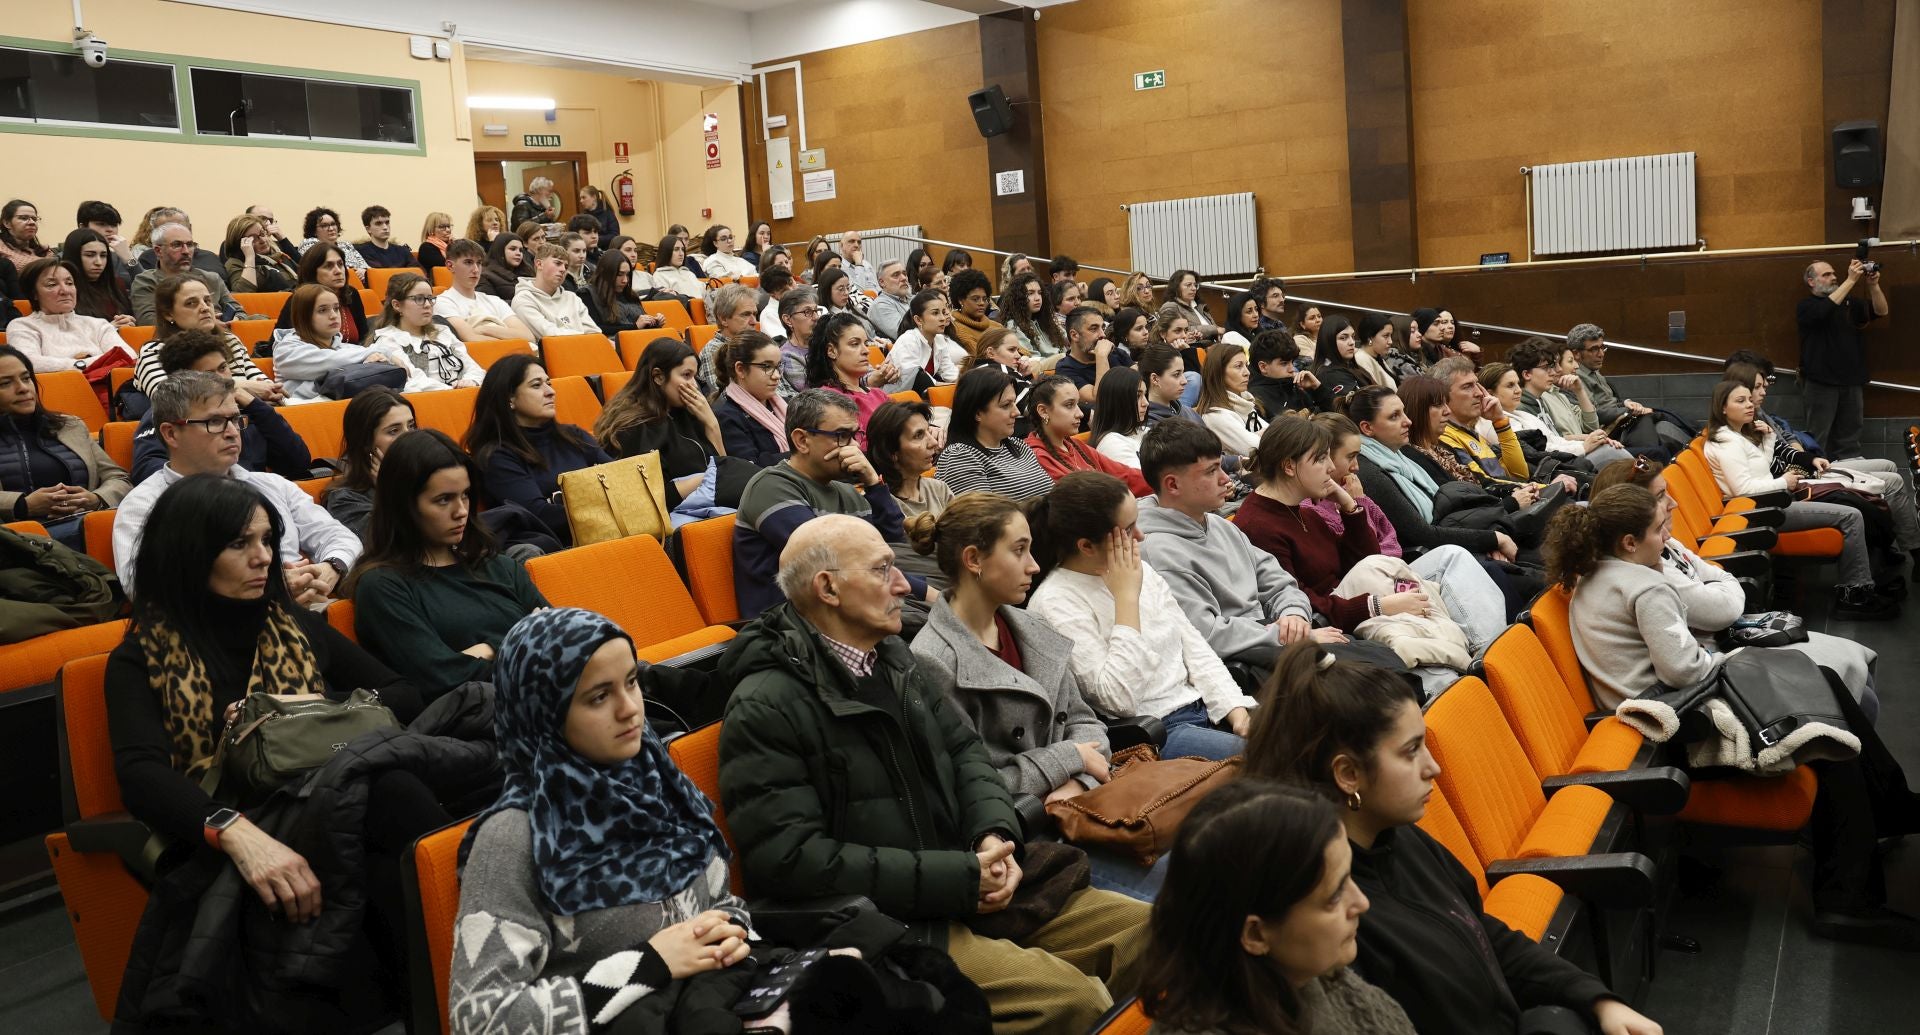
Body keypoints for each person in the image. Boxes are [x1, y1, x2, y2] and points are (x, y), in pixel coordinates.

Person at [718, 513, 1148, 1032]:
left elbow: (968, 758)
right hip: (892, 921)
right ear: (828, 588)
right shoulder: (767, 703)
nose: (903, 583)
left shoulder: (894, 659)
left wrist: (993, 836)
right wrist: (961, 877)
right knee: (1065, 1001)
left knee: (1149, 935)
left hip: (967, 881)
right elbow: (787, 861)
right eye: (881, 570)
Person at [105, 474, 455, 1030]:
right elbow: (140, 773)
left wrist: (302, 712)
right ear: (191, 552)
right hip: (239, 814)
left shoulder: (288, 625)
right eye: (239, 543)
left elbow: (400, 693)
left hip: (332, 798)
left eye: (267, 539)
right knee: (393, 801)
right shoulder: (141, 656)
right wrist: (237, 835)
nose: (263, 557)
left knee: (392, 824)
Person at [1546, 485, 1920, 949]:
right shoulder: (1645, 585)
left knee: (1823, 680)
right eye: (1660, 530)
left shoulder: (1594, 574)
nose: (1668, 538)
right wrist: (1722, 657)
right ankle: (1846, 898)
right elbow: (1684, 668)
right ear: (1629, 541)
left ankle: (1890, 807)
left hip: (1659, 711)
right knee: (1821, 732)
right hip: (1677, 727)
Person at [1242, 642, 1664, 1035]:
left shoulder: (1399, 838)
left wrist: (1597, 999)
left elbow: (1485, 935)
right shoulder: (1329, 919)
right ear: (1348, 774)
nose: (1434, 768)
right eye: (1410, 751)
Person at [451, 606, 750, 1034]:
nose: (630, 710)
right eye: (598, 697)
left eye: (631, 682)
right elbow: (481, 1020)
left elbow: (723, 904)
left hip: (712, 1005)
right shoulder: (515, 837)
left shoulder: (658, 780)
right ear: (545, 713)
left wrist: (729, 932)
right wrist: (650, 965)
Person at [907, 493, 1165, 902]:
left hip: (1085, 807)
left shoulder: (1030, 626)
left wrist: (1078, 782)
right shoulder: (933, 661)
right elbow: (974, 783)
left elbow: (1085, 721)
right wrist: (1070, 760)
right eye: (1019, 551)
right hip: (1025, 841)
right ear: (973, 559)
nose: (1034, 565)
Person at [1589, 455, 1881, 716]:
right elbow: (1711, 626)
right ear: (1631, 527)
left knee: (1854, 668)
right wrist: (1723, 600)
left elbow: (1720, 582)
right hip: (1696, 691)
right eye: (1661, 496)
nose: (1673, 503)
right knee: (1856, 694)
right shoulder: (1647, 581)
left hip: (1714, 658)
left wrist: (1721, 587)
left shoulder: (1655, 548)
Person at [1137, 778, 1417, 1035]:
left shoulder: (1320, 982)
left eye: (1350, 878)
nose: (1362, 903)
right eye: (1333, 897)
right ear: (1256, 935)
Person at [1233, 416, 1510, 655]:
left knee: (1453, 555)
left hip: (1354, 597)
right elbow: (1300, 601)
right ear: (1289, 467)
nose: (1331, 467)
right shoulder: (1259, 525)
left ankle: (1492, 649)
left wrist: (1350, 506)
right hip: (1336, 616)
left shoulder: (1302, 510)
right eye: (1320, 459)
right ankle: (1490, 655)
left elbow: (1365, 559)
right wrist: (1378, 606)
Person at [1026, 471, 1255, 759]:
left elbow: (1193, 646)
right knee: (1273, 762)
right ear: (1086, 546)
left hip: (1204, 707)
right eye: (1128, 529)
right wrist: (1126, 599)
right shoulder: (1054, 602)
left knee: (1301, 737)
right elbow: (1118, 699)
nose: (1141, 536)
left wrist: (1234, 710)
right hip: (1154, 732)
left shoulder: (1139, 569)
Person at [115, 371, 359, 601]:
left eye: (234, 419)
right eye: (215, 422)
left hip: (306, 607)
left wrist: (330, 567)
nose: (232, 432)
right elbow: (143, 586)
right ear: (171, 434)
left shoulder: (271, 484)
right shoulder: (144, 504)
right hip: (213, 633)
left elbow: (339, 536)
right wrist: (270, 587)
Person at [349, 429, 548, 701]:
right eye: (444, 499)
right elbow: (441, 679)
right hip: (484, 722)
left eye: (465, 495)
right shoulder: (382, 587)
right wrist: (524, 638)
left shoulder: (499, 566)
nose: (462, 511)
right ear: (404, 505)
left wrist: (487, 650)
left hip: (549, 698)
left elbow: (558, 637)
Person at [1134, 419, 1327, 670]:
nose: (1226, 478)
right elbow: (1206, 633)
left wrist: (1294, 614)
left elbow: (1278, 582)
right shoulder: (1156, 551)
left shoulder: (1220, 525)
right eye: (1211, 470)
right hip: (1242, 666)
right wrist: (1286, 635)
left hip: (1273, 642)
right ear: (1172, 484)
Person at [731, 389, 933, 618]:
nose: (854, 448)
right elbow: (834, 559)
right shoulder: (771, 487)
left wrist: (873, 483)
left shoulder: (848, 491)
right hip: (791, 630)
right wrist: (928, 594)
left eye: (855, 436)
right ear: (802, 440)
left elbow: (899, 546)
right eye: (841, 436)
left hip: (851, 610)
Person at [1703, 378, 1896, 618]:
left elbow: (1759, 468)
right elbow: (1743, 488)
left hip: (1771, 500)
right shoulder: (1727, 442)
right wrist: (1784, 481)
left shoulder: (1737, 435)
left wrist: (1769, 439)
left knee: (1850, 503)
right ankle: (1854, 595)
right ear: (1722, 407)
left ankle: (1862, 584)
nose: (1749, 405)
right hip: (1761, 511)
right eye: (1740, 401)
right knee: (1851, 515)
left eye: (1749, 400)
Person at [1724, 352, 1920, 567]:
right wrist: (1800, 464)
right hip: (1795, 484)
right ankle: (1905, 551)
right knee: (1889, 482)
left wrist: (1804, 457)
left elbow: (1784, 440)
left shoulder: (1760, 415)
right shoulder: (1735, 432)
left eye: (1765, 384)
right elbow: (1762, 473)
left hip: (1807, 466)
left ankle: (1887, 548)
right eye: (1758, 386)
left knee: (1889, 467)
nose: (1764, 390)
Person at [1348, 386, 1526, 588]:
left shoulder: (1402, 454)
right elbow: (1422, 533)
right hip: (1426, 561)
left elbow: (1456, 504)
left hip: (1454, 539)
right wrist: (1493, 538)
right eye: (1394, 416)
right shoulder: (1368, 472)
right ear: (1367, 428)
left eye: (1404, 412)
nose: (1408, 421)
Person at [465, 355, 611, 547]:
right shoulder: (497, 456)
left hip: (607, 533)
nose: (550, 392)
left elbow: (620, 477)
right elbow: (539, 515)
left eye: (549, 383)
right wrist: (607, 507)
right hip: (560, 549)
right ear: (510, 399)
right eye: (536, 385)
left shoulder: (574, 435)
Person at [130, 331, 310, 484]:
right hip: (201, 500)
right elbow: (147, 472)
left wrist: (257, 406)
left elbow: (297, 463)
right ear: (184, 380)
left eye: (223, 368)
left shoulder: (248, 409)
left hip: (255, 493)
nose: (221, 379)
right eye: (208, 374)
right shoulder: (167, 412)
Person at [0, 345, 127, 548]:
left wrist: (95, 498)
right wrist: (23, 505)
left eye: (26, 378)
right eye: (5, 383)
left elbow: (118, 478)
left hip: (87, 524)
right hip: (21, 542)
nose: (23, 388)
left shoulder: (70, 426)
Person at [594, 338, 725, 508]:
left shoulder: (690, 413)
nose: (694, 385)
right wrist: (706, 479)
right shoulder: (634, 427)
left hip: (708, 505)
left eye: (695, 376)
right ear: (658, 377)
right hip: (672, 520)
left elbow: (724, 468)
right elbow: (649, 498)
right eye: (686, 375)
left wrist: (712, 425)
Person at [1798, 258, 1889, 459]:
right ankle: (1816, 475)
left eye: (1834, 274)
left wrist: (1873, 286)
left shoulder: (1849, 303)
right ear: (1811, 282)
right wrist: (1850, 281)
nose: (1833, 278)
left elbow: (1881, 311)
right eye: (1826, 275)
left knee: (1850, 438)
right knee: (1818, 435)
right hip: (1820, 382)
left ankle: (1852, 479)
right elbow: (1823, 312)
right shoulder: (1807, 306)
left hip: (1852, 381)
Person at [270, 282, 420, 401]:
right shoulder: (286, 349)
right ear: (303, 316)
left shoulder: (346, 349)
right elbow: (327, 362)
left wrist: (380, 356)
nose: (334, 315)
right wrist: (373, 354)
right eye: (323, 310)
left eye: (336, 308)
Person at [132, 275, 276, 397]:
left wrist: (271, 390)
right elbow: (167, 396)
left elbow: (262, 384)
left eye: (207, 301)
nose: (205, 308)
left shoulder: (230, 340)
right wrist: (237, 387)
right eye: (191, 303)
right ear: (168, 314)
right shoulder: (154, 352)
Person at [1567, 323, 1692, 454]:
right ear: (1576, 354)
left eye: (1602, 347)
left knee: (1661, 420)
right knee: (1652, 417)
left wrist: (1625, 404)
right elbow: (1593, 414)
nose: (1601, 354)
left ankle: (1695, 443)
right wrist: (1625, 410)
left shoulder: (1593, 370)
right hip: (1609, 428)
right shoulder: (1574, 379)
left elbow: (1610, 402)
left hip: (1621, 419)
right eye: (1593, 349)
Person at [936, 366, 1055, 501]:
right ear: (978, 413)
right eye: (1006, 405)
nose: (1016, 412)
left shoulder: (1019, 446)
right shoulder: (959, 456)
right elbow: (983, 518)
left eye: (1014, 403)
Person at [1509, 337, 1631, 467]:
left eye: (1554, 365)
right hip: (1557, 466)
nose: (1555, 371)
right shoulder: (1521, 407)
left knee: (1616, 452)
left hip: (1566, 455)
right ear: (1527, 374)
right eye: (1547, 367)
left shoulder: (1541, 400)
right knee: (1615, 455)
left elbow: (1559, 439)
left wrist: (1580, 391)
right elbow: (1543, 449)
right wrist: (1584, 445)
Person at [5, 256, 134, 374]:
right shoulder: (22, 326)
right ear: (34, 293)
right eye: (52, 284)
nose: (65, 291)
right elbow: (29, 364)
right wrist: (81, 363)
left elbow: (128, 356)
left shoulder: (98, 324)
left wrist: (75, 364)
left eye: (69, 283)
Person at [1025, 375, 1150, 495]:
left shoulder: (1076, 446)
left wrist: (1159, 481)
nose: (1080, 414)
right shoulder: (1035, 457)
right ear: (1043, 411)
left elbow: (1125, 475)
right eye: (1069, 405)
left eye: (1077, 404)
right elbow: (1084, 498)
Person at [367, 272, 485, 392]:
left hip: (464, 393)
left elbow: (473, 367)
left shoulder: (442, 331)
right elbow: (413, 381)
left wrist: (471, 381)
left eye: (430, 298)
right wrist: (454, 390)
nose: (428, 305)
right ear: (397, 305)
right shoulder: (387, 339)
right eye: (419, 299)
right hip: (429, 402)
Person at [322, 387, 415, 538]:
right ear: (366, 442)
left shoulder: (431, 476)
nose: (409, 436)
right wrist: (391, 490)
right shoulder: (344, 500)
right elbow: (393, 547)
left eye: (411, 426)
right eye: (394, 430)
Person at [806, 312, 895, 447]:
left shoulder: (878, 394)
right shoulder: (829, 402)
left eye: (866, 343)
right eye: (854, 344)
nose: (866, 351)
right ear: (831, 351)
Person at [132, 223, 241, 326]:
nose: (186, 251)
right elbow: (148, 321)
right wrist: (204, 324)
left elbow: (239, 311)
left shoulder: (211, 278)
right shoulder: (146, 281)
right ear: (158, 251)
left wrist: (234, 321)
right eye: (177, 245)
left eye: (190, 245)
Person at [712, 330, 789, 468]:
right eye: (766, 366)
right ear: (740, 369)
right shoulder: (727, 417)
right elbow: (751, 467)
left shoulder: (786, 405)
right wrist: (803, 455)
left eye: (778, 366)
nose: (777, 375)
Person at [435, 239, 536, 342]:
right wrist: (507, 336)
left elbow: (528, 336)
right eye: (468, 262)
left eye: (479, 263)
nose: (476, 270)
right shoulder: (443, 302)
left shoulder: (494, 301)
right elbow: (471, 338)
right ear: (450, 265)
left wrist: (485, 329)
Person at [868, 399, 952, 521]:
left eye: (929, 431)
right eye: (918, 435)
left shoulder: (939, 489)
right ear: (891, 452)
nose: (933, 442)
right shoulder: (881, 505)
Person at [272, 244, 371, 347]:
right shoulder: (299, 300)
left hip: (356, 359)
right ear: (312, 272)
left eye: (340, 264)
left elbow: (365, 337)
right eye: (328, 266)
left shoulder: (351, 294)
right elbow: (279, 344)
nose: (338, 271)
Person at [880, 289, 968, 393]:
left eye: (943, 312)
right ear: (918, 320)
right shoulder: (908, 340)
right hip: (897, 399)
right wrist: (952, 387)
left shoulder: (939, 339)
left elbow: (950, 373)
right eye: (935, 313)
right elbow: (917, 380)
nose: (943, 318)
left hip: (924, 395)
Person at [1195, 341, 1268, 456]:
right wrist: (1264, 435)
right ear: (1218, 373)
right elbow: (1258, 449)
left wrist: (1264, 434)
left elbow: (1275, 436)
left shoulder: (1245, 403)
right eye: (1238, 366)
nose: (1247, 372)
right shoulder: (1216, 416)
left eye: (1246, 365)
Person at [512, 244, 598, 341]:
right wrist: (586, 338)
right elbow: (549, 334)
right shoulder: (523, 299)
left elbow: (594, 332)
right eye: (557, 263)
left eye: (566, 266)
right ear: (539, 264)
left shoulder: (572, 298)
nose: (563, 270)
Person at [59, 228, 133, 326]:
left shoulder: (116, 284)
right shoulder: (62, 290)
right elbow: (62, 334)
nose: (98, 262)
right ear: (74, 256)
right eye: (90, 255)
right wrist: (109, 329)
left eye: (103, 255)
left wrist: (129, 320)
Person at [696, 283, 760, 393]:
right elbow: (720, 397)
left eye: (755, 314)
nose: (754, 321)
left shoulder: (758, 345)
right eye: (745, 315)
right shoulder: (713, 352)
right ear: (724, 319)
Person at [584, 251, 663, 337]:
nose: (625, 280)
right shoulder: (587, 294)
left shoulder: (630, 295)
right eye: (620, 274)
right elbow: (595, 329)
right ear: (606, 273)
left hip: (639, 339)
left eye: (628, 274)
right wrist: (634, 326)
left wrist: (654, 323)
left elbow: (641, 325)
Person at [1089, 367, 1151, 470]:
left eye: (1145, 395)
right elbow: (1142, 483)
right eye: (1137, 396)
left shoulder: (1145, 431)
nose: (1146, 403)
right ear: (1117, 402)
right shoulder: (1111, 443)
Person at [1053, 306, 1116, 405]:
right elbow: (1099, 399)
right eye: (1094, 329)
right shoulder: (1065, 368)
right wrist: (1102, 357)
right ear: (1074, 335)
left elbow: (1141, 385)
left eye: (1103, 328)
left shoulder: (1115, 353)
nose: (1102, 334)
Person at [1247, 329, 1317, 418]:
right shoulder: (1254, 399)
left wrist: (1316, 389)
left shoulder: (1293, 386)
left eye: (1292, 362)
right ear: (1263, 367)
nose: (1292, 369)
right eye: (1284, 363)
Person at [221, 215, 298, 293]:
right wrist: (250, 258)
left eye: (262, 233)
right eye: (253, 238)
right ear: (240, 243)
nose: (262, 240)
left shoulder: (278, 254)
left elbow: (305, 276)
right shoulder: (235, 263)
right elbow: (243, 294)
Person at [1312, 315, 1372, 412]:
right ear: (1328, 341)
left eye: (1353, 337)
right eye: (1343, 338)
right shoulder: (1328, 374)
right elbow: (1357, 410)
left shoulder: (1350, 366)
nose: (1352, 342)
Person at [772, 288, 819, 399]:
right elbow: (813, 394)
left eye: (816, 310)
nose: (816, 317)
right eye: (807, 312)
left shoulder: (825, 343)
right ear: (788, 320)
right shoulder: (786, 356)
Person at [299, 207, 369, 278]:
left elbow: (365, 266)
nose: (331, 229)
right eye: (324, 225)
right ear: (314, 231)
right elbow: (324, 267)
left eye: (333, 224)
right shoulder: (309, 243)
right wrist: (352, 273)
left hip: (359, 281)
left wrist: (363, 270)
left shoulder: (346, 245)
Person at [1157, 269, 1220, 343]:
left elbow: (1218, 330)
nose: (1193, 288)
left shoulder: (1199, 306)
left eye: (1195, 285)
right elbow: (1175, 330)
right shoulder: (1170, 306)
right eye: (1188, 285)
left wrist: (1218, 333)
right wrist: (1214, 330)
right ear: (1176, 287)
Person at [948, 268, 1003, 354]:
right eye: (975, 299)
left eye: (984, 299)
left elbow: (1022, 350)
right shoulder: (957, 329)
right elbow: (981, 357)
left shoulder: (996, 326)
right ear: (961, 300)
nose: (981, 303)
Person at [868, 259, 913, 341]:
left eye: (904, 273)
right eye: (896, 275)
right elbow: (905, 335)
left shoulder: (913, 298)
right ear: (882, 282)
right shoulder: (880, 305)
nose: (903, 278)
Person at [651, 234, 706, 298]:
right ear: (666, 252)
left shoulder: (690, 274)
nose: (681, 254)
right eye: (676, 249)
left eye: (682, 249)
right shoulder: (659, 276)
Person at [0, 199, 50, 268]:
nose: (32, 222)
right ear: (7, 223)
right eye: (24, 218)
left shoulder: (44, 250)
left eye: (34, 219)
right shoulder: (2, 249)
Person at [478, 234, 528, 301]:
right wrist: (523, 304)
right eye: (513, 249)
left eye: (521, 250)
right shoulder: (485, 276)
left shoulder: (527, 273)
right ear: (500, 250)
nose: (518, 253)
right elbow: (490, 305)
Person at [416, 211, 455, 280]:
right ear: (431, 230)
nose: (448, 230)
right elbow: (447, 266)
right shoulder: (426, 248)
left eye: (448, 226)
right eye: (442, 227)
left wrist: (456, 245)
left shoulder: (452, 245)